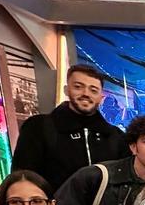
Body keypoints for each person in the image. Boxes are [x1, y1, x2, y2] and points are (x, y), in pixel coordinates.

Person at [12, 64, 127, 192]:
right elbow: (22, 177)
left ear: (101, 97)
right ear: (66, 90)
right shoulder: (38, 127)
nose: (86, 94)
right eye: (78, 87)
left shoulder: (116, 137)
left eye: (93, 90)